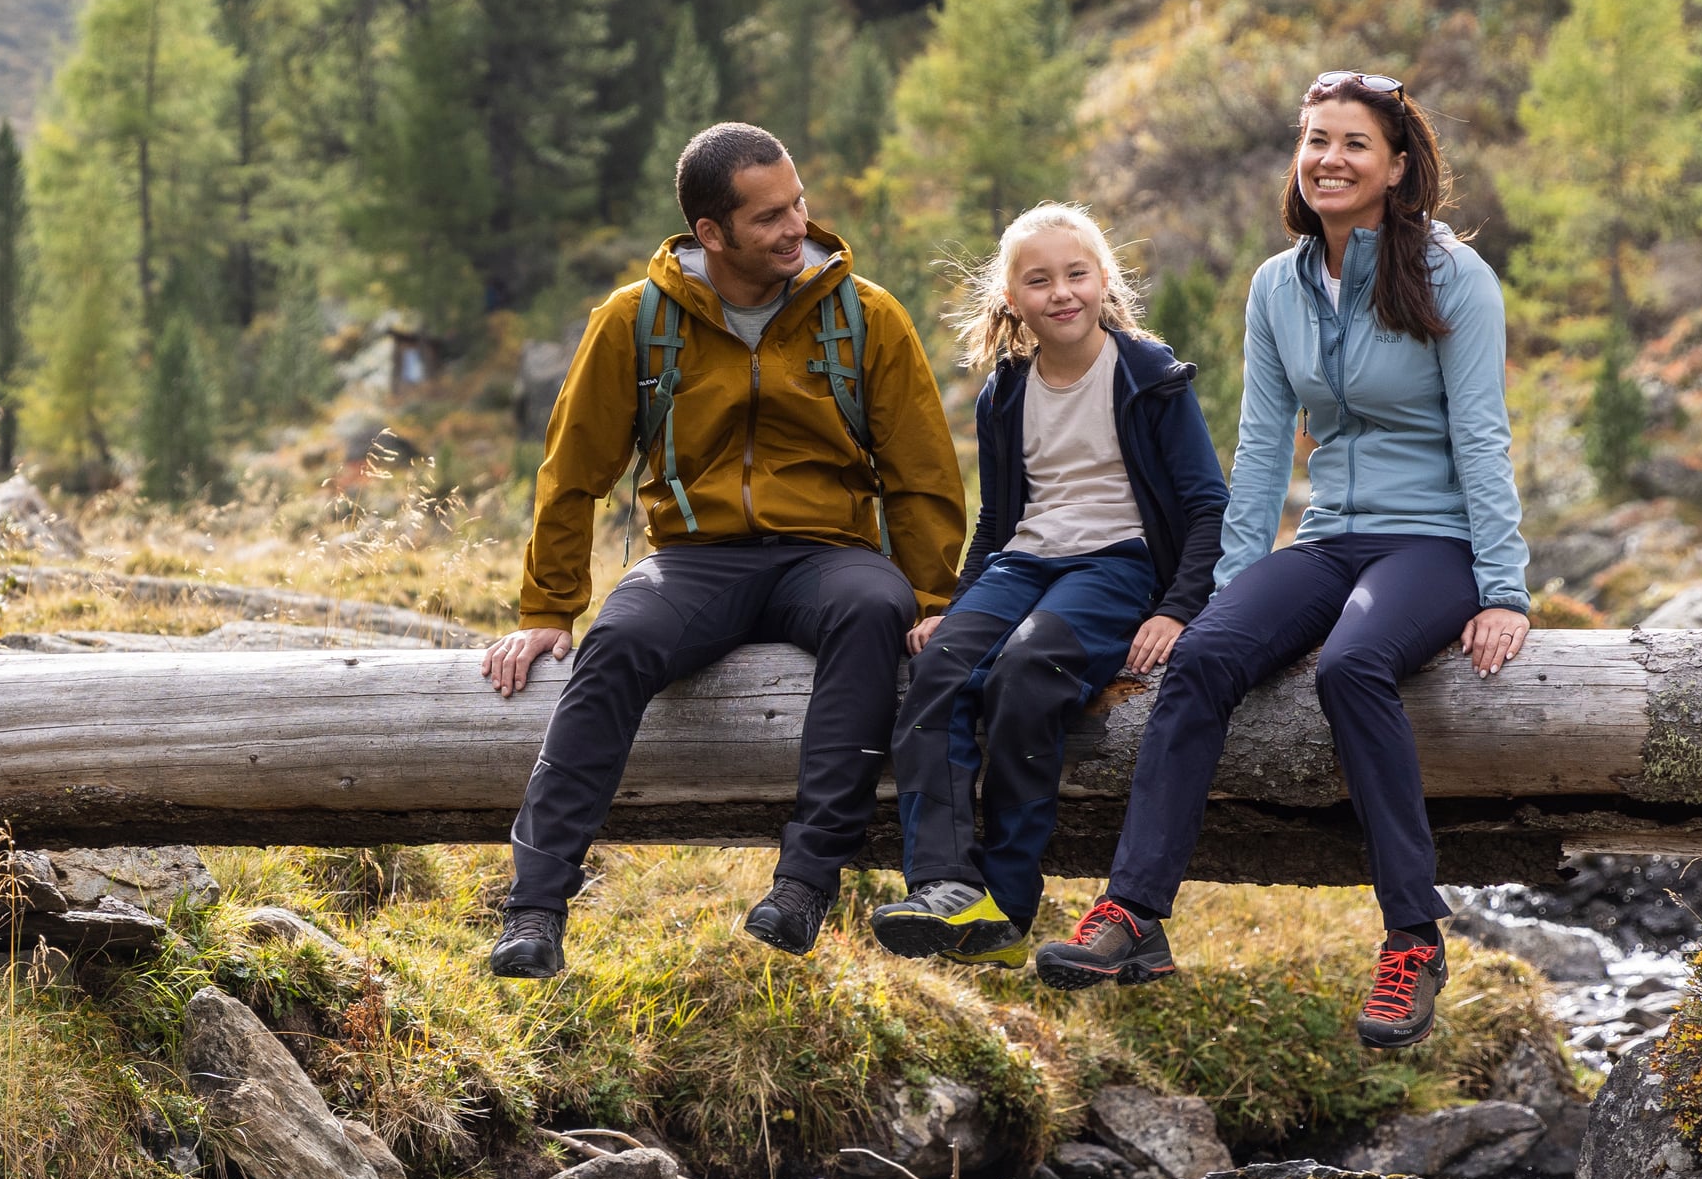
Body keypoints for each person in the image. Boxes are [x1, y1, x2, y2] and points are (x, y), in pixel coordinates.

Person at [1029, 72, 1531, 1047]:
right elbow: (1260, 448)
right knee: (1204, 659)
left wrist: (1505, 587)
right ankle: (1134, 914)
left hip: (1436, 544)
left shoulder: (1453, 275)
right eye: (1314, 139)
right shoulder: (1278, 283)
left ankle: (1413, 940)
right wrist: (1225, 598)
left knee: (1353, 666)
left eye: (1352, 142)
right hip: (1332, 536)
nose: (1328, 158)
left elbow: (1483, 434)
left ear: (1395, 164)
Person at [481, 122, 967, 979]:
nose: (798, 228)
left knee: (873, 610)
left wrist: (933, 598)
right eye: (772, 216)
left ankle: (804, 885)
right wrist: (548, 609)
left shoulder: (868, 317)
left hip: (830, 553)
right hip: (695, 556)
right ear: (712, 232)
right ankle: (533, 910)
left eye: (800, 204)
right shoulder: (636, 320)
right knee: (616, 642)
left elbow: (921, 474)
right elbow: (572, 471)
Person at [871, 206, 1227, 968]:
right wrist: (957, 608)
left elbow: (1205, 505)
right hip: (1024, 563)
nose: (1061, 293)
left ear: (1103, 282)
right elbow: (998, 519)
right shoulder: (1004, 392)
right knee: (937, 671)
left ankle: (1005, 899)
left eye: (1076, 274)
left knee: (1029, 671)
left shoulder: (1147, 373)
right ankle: (942, 882)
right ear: (1011, 297)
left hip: (1120, 564)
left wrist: (1176, 608)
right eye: (1039, 280)